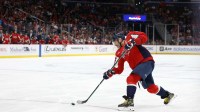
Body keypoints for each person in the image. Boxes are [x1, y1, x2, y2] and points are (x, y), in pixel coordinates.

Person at [103, 31, 175, 110]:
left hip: (146, 62)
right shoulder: (118, 53)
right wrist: (110, 72)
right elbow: (119, 69)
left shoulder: (130, 37)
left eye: (115, 41)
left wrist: (134, 42)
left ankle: (129, 100)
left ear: (120, 39)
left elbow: (143, 36)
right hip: (139, 68)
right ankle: (168, 95)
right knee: (151, 88)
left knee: (131, 78)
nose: (114, 44)